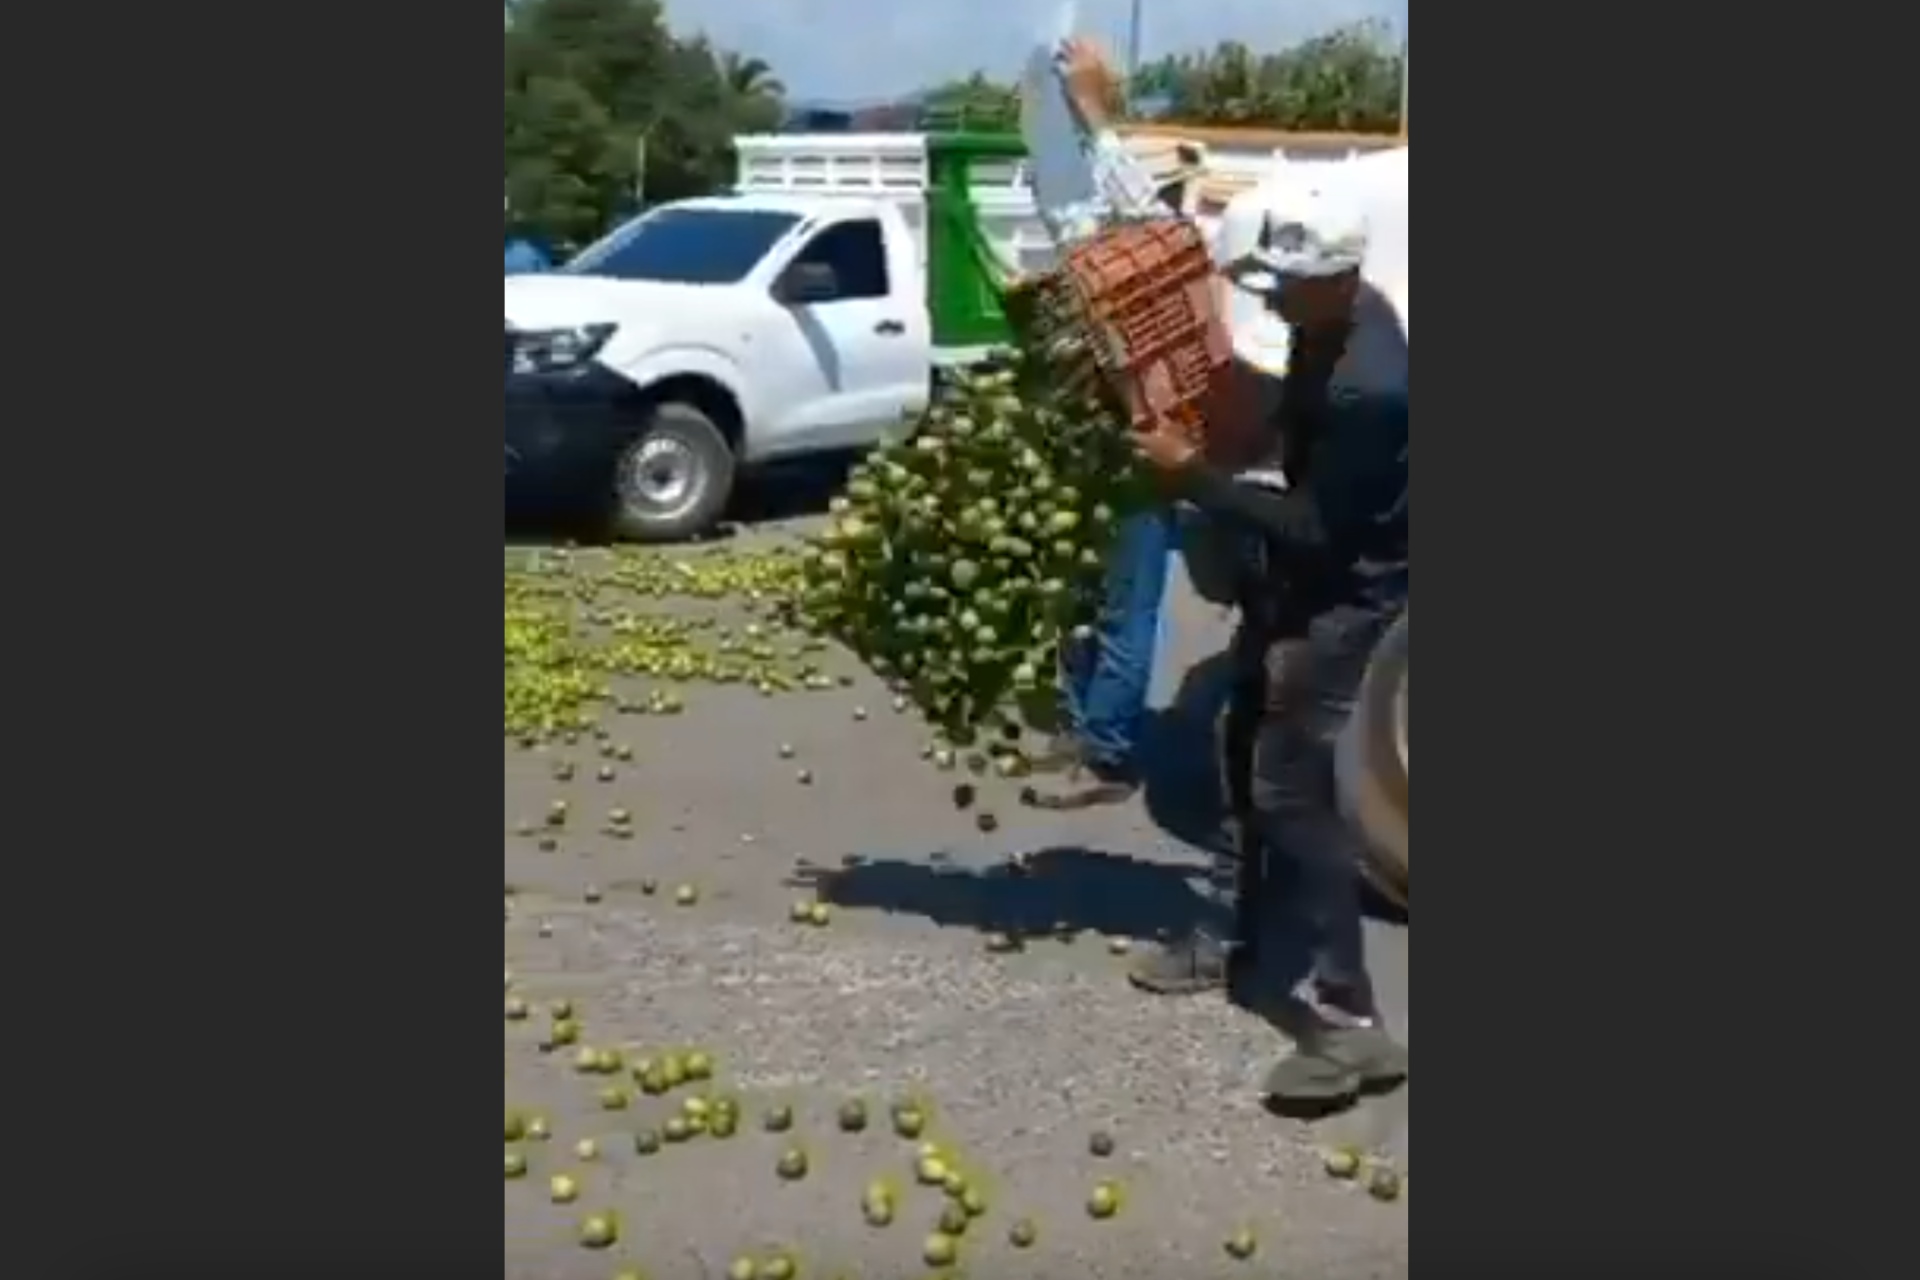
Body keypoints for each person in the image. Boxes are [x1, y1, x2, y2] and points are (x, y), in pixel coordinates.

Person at [1126, 178, 1410, 1107]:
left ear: (1334, 277)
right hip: (1298, 580)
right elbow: (1297, 436)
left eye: (1286, 285)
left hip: (1344, 599)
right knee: (1238, 740)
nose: (1273, 300)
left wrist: (1195, 479)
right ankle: (1232, 938)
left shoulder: (1372, 384)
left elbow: (1316, 528)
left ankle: (1348, 1023)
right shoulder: (1333, 321)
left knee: (1293, 791)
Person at [1018, 38, 1188, 811]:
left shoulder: (1171, 258)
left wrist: (1093, 114)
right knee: (1078, 596)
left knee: (1125, 602)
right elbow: (1078, 221)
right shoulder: (1109, 262)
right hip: (1091, 443)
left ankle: (1108, 753)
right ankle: (1082, 728)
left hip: (1141, 447)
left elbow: (1138, 213)